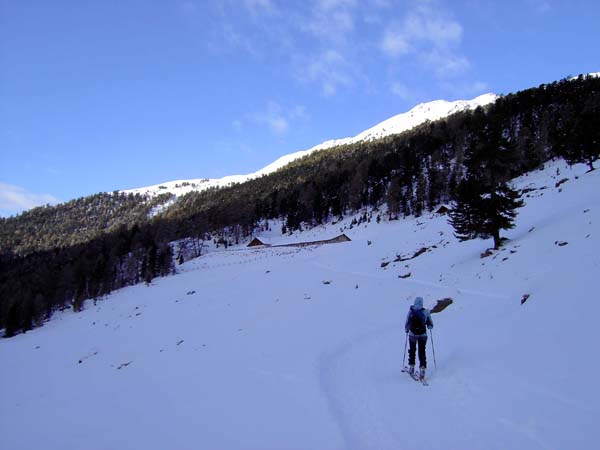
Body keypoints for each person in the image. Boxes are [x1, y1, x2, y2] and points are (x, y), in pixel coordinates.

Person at [405, 296, 433, 380]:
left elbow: (407, 323)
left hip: (412, 335)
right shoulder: (426, 312)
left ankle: (411, 368)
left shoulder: (411, 311)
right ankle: (422, 370)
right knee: (422, 351)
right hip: (423, 335)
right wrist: (429, 326)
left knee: (412, 350)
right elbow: (430, 324)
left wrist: (406, 330)